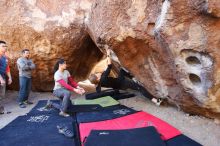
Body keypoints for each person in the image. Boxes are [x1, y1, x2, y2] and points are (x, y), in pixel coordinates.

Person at [89, 45, 162, 105]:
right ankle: (155, 101)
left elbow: (98, 88)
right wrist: (108, 53)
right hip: (122, 83)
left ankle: (133, 78)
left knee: (122, 69)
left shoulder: (99, 83)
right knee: (139, 88)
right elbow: (109, 66)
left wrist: (96, 82)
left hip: (118, 82)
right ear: (98, 78)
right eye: (96, 75)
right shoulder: (103, 78)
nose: (97, 73)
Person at [0, 41, 12, 114]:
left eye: (5, 46)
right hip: (1, 78)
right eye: (3, 46)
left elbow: (7, 68)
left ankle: (1, 110)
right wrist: (1, 79)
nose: (5, 47)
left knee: (2, 95)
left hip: (3, 78)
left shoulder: (5, 58)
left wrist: (10, 78)